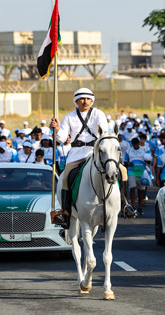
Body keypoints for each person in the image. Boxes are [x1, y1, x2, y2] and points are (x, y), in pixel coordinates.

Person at [50, 88, 133, 228]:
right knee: (65, 178)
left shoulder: (98, 114)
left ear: (92, 101)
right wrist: (57, 129)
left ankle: (125, 205)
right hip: (76, 153)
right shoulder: (69, 117)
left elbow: (103, 132)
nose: (85, 101)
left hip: (96, 152)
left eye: (88, 99)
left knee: (123, 171)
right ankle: (65, 213)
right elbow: (62, 138)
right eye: (82, 99)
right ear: (76, 101)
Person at [124, 137, 147, 215]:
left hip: (141, 172)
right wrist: (128, 164)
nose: (136, 145)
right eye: (134, 144)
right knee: (132, 189)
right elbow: (125, 162)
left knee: (140, 190)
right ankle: (133, 206)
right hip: (131, 172)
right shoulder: (129, 151)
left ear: (139, 143)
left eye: (137, 144)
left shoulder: (144, 150)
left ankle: (140, 207)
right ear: (132, 144)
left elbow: (148, 160)